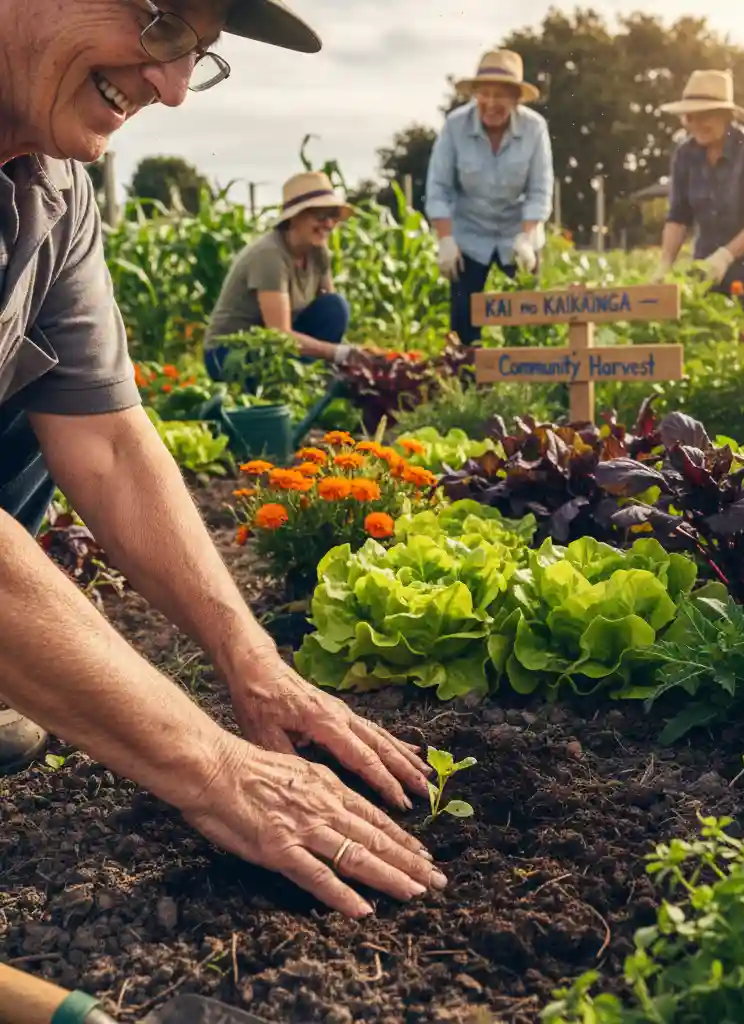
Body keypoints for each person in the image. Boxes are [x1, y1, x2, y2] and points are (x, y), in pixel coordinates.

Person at [0, 0, 446, 919]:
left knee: (37, 406)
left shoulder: (53, 185)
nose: (171, 89)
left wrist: (254, 661)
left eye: (198, 56)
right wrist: (211, 766)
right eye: (164, 25)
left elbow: (107, 439)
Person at [425, 49, 554, 346]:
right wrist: (446, 240)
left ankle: (523, 371)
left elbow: (539, 190)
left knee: (525, 320)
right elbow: (439, 187)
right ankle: (466, 371)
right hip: (469, 234)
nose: (491, 103)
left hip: (517, 233)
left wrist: (527, 237)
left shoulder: (534, 129)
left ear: (516, 99)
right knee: (464, 324)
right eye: (485, 94)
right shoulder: (455, 126)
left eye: (501, 96)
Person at [205, 170, 364, 379]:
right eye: (320, 216)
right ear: (294, 218)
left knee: (335, 307)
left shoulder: (318, 252)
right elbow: (279, 333)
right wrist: (340, 353)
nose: (328, 224)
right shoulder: (270, 255)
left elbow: (329, 310)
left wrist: (354, 355)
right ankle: (305, 379)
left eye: (333, 215)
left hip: (272, 346)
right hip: (232, 353)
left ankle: (315, 378)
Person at [652, 69, 744, 315]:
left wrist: (724, 257)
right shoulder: (685, 154)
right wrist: (665, 264)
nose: (697, 124)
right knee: (707, 327)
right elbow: (678, 217)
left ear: (726, 116)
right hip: (706, 265)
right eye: (690, 117)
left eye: (705, 116)